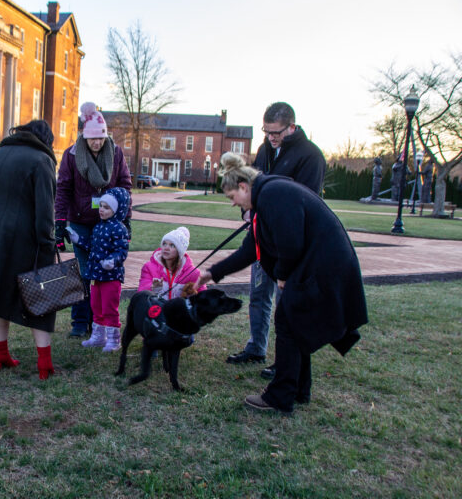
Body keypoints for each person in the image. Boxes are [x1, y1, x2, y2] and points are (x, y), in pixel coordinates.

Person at [199, 153, 367, 413]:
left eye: (233, 198)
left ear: (243, 187)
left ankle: (280, 397)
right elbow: (249, 250)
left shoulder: (272, 194)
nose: (234, 204)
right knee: (295, 323)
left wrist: (282, 277)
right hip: (317, 262)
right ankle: (298, 389)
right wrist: (211, 273)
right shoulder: (267, 196)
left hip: (323, 264)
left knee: (287, 322)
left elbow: (290, 242)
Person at [226, 102, 326, 382]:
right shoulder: (264, 150)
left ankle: (284, 362)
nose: (271, 137)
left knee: (286, 305)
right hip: (263, 236)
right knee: (259, 294)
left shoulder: (311, 156)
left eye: (276, 132)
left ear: (291, 127)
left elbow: (305, 202)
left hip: (292, 244)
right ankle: (256, 347)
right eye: (266, 131)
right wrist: (247, 208)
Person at [0, 120, 58, 380]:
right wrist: (48, 242)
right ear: (45, 139)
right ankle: (44, 363)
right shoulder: (41, 161)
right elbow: (44, 211)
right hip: (22, 236)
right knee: (40, 297)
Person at [55, 102, 133, 338]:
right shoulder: (71, 155)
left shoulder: (116, 153)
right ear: (83, 137)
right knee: (84, 271)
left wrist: (126, 220)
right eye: (92, 139)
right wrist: (59, 223)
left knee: (104, 272)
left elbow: (125, 186)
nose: (97, 143)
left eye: (100, 138)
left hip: (108, 223)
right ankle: (80, 322)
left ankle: (100, 321)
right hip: (80, 221)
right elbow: (63, 189)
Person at [65, 187, 130, 351]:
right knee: (96, 306)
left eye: (106, 207)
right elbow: (91, 247)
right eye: (101, 206)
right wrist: (77, 238)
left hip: (111, 277)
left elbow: (122, 251)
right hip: (96, 275)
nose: (101, 210)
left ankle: (114, 340)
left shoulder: (120, 229)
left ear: (116, 209)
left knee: (109, 308)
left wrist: (112, 261)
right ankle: (98, 337)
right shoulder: (98, 227)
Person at [138, 226, 205, 299]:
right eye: (164, 244)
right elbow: (142, 294)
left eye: (172, 245)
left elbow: (204, 299)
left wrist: (191, 294)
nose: (166, 248)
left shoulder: (193, 273)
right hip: (157, 308)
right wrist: (155, 287)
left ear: (180, 251)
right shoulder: (149, 268)